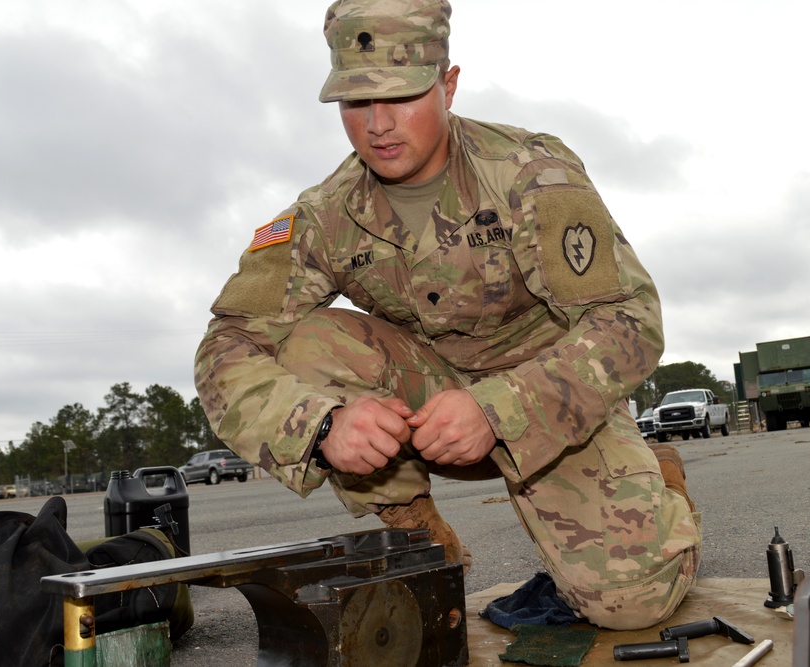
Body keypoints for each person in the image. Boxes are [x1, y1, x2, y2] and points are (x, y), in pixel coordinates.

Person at [194, 0, 701, 630]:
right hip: (426, 407)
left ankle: (664, 485)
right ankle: (414, 532)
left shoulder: (528, 174)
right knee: (306, 343)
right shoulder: (322, 216)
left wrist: (499, 409)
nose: (377, 124)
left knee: (629, 606)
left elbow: (631, 317)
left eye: (402, 96)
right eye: (355, 103)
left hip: (551, 402)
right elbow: (227, 344)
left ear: (448, 85)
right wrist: (320, 427)